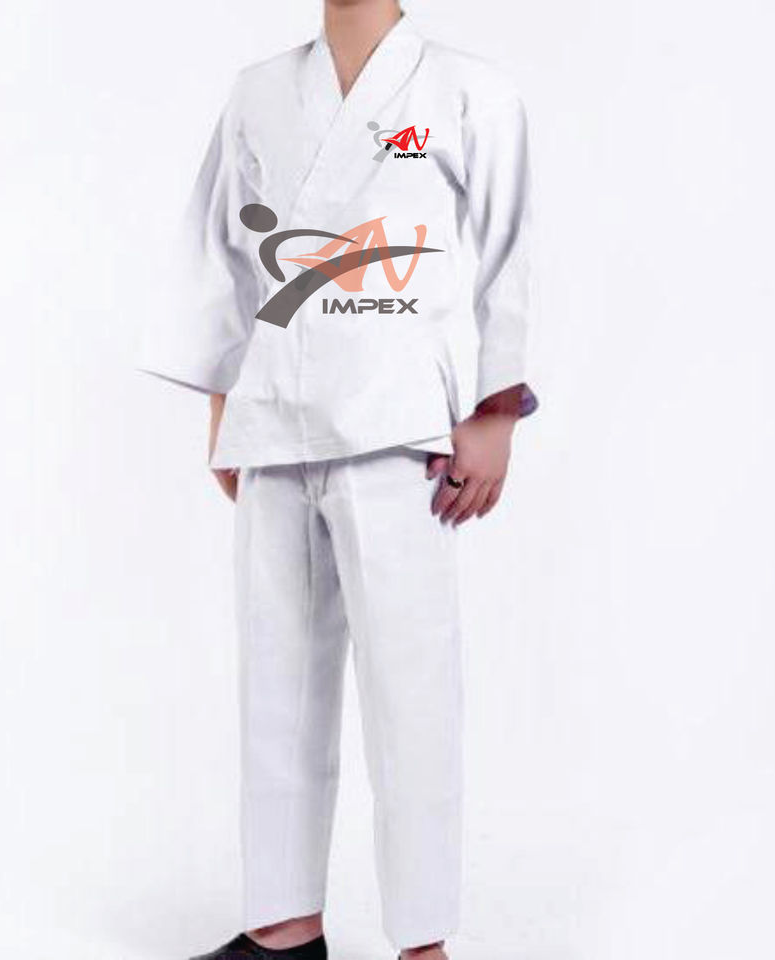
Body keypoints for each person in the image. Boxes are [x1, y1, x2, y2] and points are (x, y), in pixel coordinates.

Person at [139, 2, 538, 957]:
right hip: (274, 423)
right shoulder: (258, 93)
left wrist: (495, 410)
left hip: (400, 428)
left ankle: (423, 942)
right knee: (276, 684)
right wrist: (225, 407)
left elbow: (509, 255)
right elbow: (224, 256)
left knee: (412, 691)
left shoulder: (470, 90)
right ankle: (285, 929)